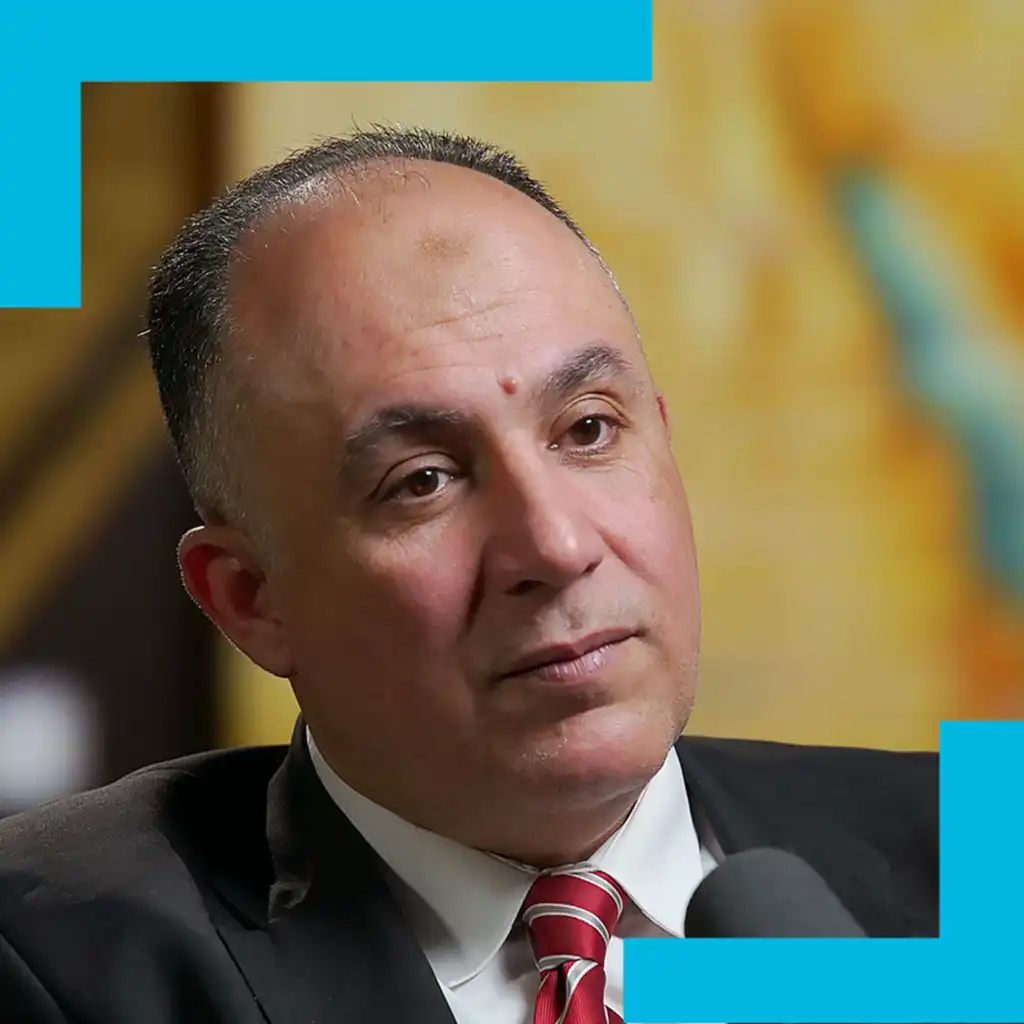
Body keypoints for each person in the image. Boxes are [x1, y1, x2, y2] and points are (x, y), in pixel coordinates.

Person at [0, 127, 937, 1024]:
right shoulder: (54, 961)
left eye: (589, 429)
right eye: (423, 482)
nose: (557, 546)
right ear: (250, 598)